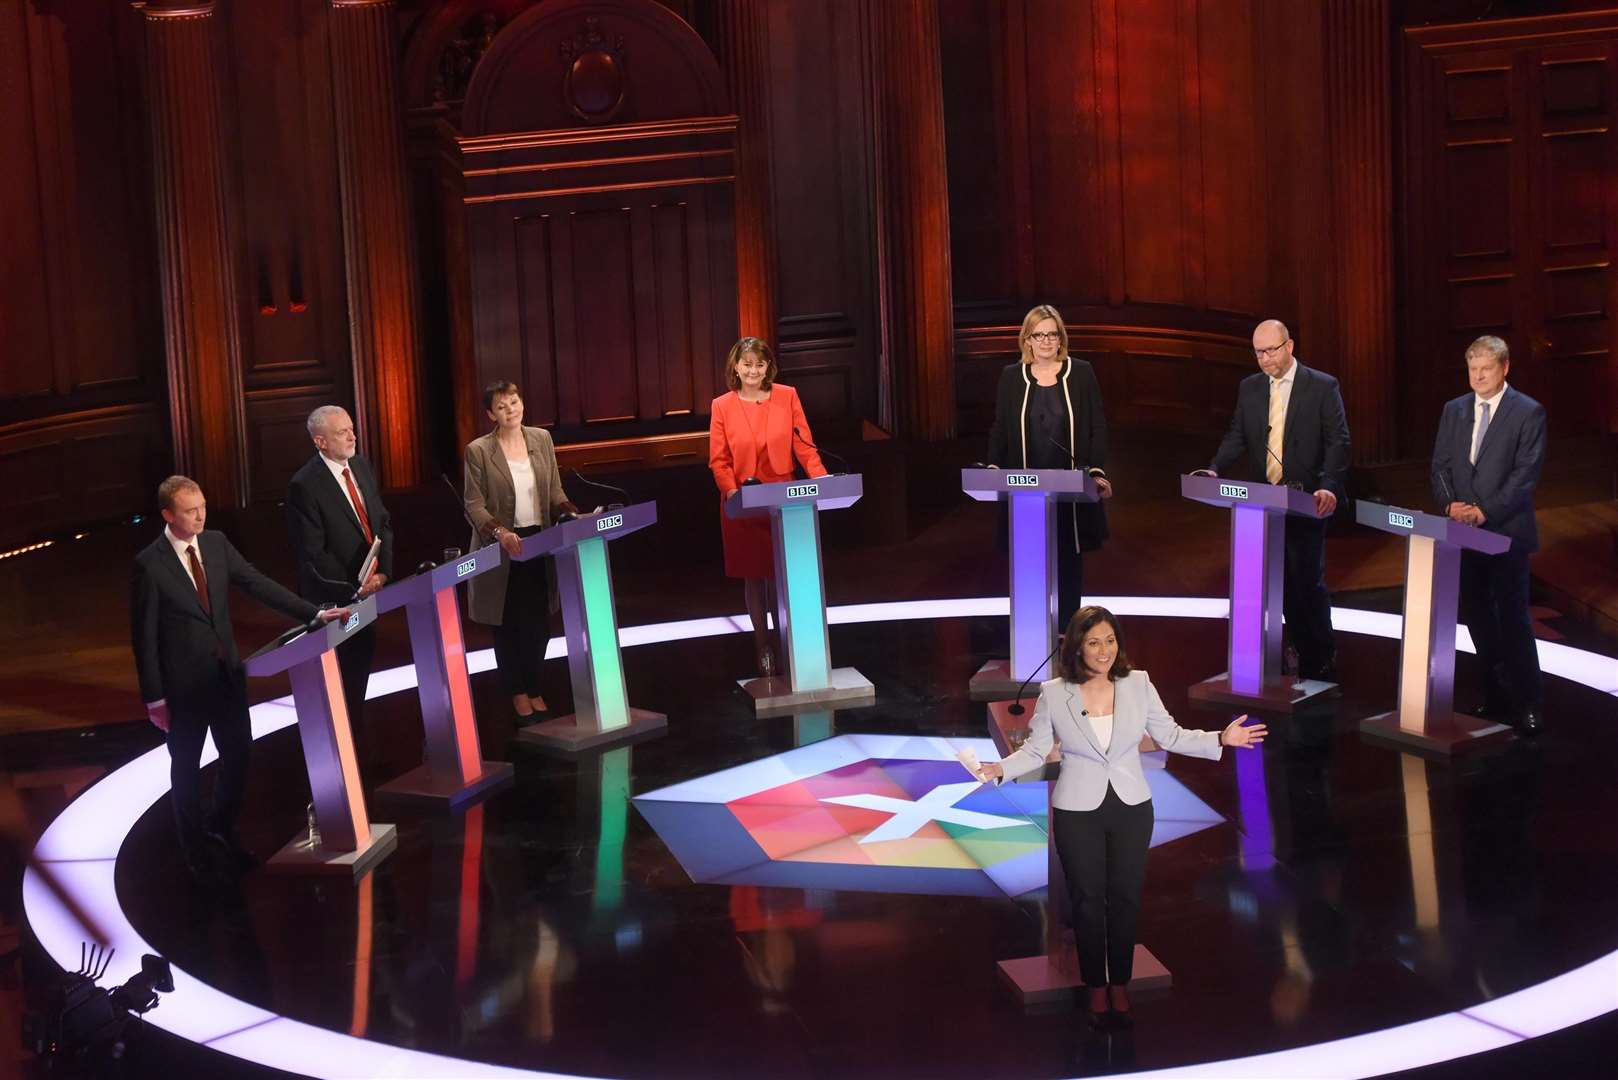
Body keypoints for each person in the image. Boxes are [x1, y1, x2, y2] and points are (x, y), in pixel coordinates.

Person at [979, 606, 1265, 1021]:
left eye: (1110, 641)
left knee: (1126, 900)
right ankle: (1096, 986)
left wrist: (1221, 738)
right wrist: (1000, 769)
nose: (1104, 650)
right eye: (1094, 642)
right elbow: (1038, 751)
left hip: (1131, 807)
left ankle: (1120, 984)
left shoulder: (1138, 684)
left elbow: (1169, 735)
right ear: (1077, 647)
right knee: (1089, 902)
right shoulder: (1055, 693)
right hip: (1078, 811)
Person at [130, 475, 347, 875]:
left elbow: (257, 583)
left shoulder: (215, 543)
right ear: (167, 515)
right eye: (189, 511)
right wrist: (154, 698)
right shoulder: (149, 564)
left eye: (202, 507)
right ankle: (194, 854)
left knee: (238, 754)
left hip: (226, 676)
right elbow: (143, 638)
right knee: (186, 768)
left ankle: (221, 827)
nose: (199, 516)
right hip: (183, 688)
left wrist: (312, 613)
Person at [1205, 319, 1349, 681]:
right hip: (1264, 503)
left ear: (1290, 346)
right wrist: (1214, 468)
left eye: (1271, 350)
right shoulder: (1250, 388)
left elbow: (1338, 442)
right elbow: (1237, 434)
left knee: (1306, 580)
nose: (1266, 358)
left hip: (1308, 501)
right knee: (1276, 581)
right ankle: (1294, 647)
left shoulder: (1321, 386)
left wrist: (1329, 485)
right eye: (1259, 352)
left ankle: (1321, 652)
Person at [1431, 334, 1546, 734]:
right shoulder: (1454, 410)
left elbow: (1524, 477)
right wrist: (1450, 506)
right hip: (1463, 534)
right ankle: (1495, 695)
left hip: (1506, 534)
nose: (1478, 376)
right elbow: (1440, 466)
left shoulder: (1528, 413)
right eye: (1473, 369)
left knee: (1513, 619)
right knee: (1478, 617)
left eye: (1486, 369)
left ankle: (1529, 702)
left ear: (1505, 368)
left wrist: (1484, 511)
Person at [987, 305, 1113, 629]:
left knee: (1069, 563)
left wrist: (1096, 470)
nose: (1046, 341)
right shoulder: (1011, 378)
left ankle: (1068, 638)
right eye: (1039, 335)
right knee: (1030, 565)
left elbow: (1097, 425)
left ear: (1061, 338)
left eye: (1052, 334)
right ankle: (1032, 632)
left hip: (1070, 495)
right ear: (1027, 340)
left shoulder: (1081, 372)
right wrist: (993, 465)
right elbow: (1000, 428)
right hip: (1027, 494)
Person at [708, 337, 827, 676]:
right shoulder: (722, 406)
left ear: (768, 367)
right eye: (747, 364)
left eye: (759, 364)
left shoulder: (787, 396)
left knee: (784, 576)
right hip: (742, 501)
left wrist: (822, 480)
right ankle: (763, 646)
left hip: (783, 497)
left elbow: (805, 446)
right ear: (735, 366)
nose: (753, 370)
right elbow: (719, 461)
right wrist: (731, 492)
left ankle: (790, 643)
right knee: (755, 577)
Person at [463, 380, 578, 722]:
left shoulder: (541, 439)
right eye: (502, 406)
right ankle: (517, 692)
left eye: (514, 402)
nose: (510, 410)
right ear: (490, 415)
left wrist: (573, 513)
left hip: (540, 544)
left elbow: (555, 492)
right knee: (508, 624)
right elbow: (473, 505)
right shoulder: (479, 451)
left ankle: (535, 686)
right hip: (500, 549)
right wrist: (499, 531)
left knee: (539, 623)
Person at [285, 405, 392, 769]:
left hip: (369, 592)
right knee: (338, 684)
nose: (352, 436)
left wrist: (383, 573)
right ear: (320, 441)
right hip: (334, 599)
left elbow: (382, 522)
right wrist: (354, 587)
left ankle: (354, 752)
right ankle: (335, 760)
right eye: (343, 432)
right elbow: (312, 553)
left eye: (352, 429)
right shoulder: (304, 485)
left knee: (359, 674)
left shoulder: (360, 466)